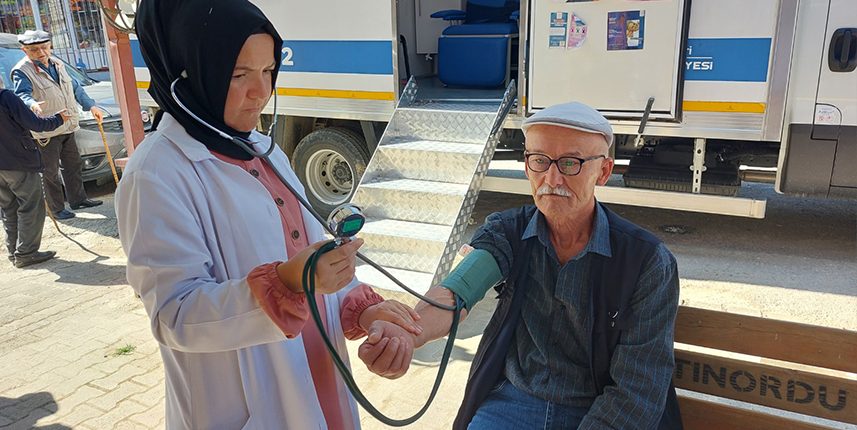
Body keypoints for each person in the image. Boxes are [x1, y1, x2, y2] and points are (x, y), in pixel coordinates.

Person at [116, 1, 421, 429]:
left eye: (268, 71)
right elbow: (175, 316)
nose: (261, 92)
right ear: (188, 74)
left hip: (317, 379)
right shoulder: (156, 173)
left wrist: (363, 311)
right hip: (249, 407)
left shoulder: (263, 149)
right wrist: (285, 284)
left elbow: (309, 258)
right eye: (238, 74)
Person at [359, 102, 684, 429]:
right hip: (513, 402)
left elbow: (636, 392)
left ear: (603, 171)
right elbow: (457, 291)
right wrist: (408, 334)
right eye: (539, 160)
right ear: (527, 166)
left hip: (597, 410)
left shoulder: (646, 261)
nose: (551, 178)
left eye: (570, 163)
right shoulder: (508, 232)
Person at [11, 30, 103, 220]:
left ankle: (78, 199)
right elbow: (22, 95)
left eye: (44, 47)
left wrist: (92, 106)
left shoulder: (58, 64)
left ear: (50, 46)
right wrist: (32, 104)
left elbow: (76, 88)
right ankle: (55, 208)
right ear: (25, 50)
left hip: (67, 124)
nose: (41, 52)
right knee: (49, 171)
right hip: (46, 129)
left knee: (73, 164)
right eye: (34, 49)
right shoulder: (22, 70)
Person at [0, 76, 71, 268]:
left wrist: (25, 110)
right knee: (31, 205)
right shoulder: (5, 96)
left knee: (9, 208)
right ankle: (26, 253)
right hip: (17, 161)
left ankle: (15, 251)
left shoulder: (7, 98)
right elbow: (37, 125)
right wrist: (59, 118)